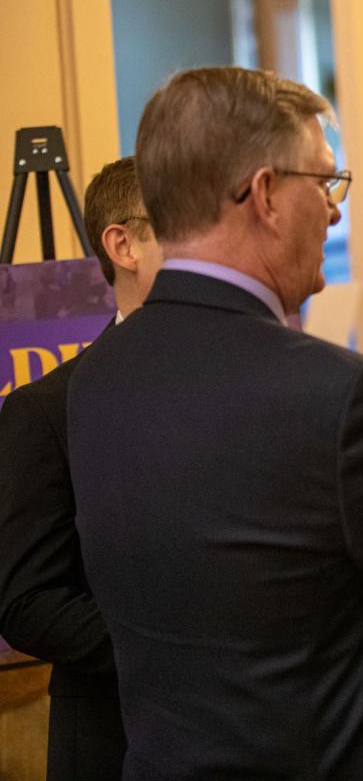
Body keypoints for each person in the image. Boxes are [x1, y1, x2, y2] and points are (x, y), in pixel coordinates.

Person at [66, 67, 363, 780]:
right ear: (267, 194)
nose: (335, 212)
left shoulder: (94, 378)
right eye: (326, 183)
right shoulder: (341, 394)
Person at [0, 156, 162, 781]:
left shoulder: (259, 386)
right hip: (116, 737)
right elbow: (27, 600)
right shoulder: (45, 411)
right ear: (122, 245)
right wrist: (178, 652)